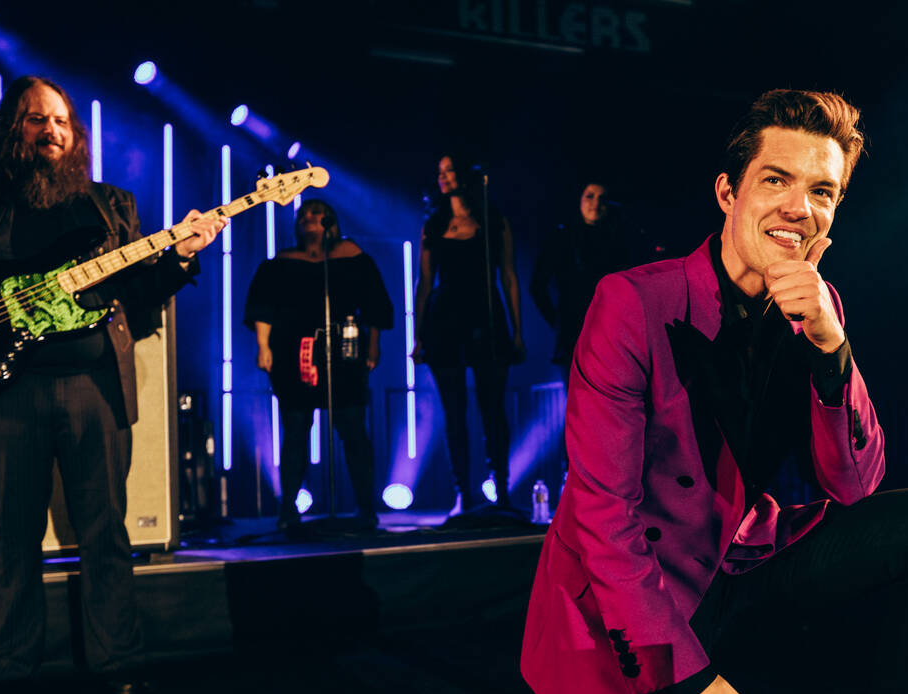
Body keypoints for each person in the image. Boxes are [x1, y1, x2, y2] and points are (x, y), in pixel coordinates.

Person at [520, 89, 908, 694]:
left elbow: (853, 487)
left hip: (739, 562)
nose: (799, 207)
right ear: (726, 193)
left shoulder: (819, 305)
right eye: (777, 180)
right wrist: (694, 684)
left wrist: (832, 350)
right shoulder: (632, 301)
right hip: (631, 598)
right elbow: (603, 517)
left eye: (822, 191)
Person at [0, 76, 225, 691]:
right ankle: (10, 667)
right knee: (11, 538)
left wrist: (181, 257)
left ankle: (116, 662)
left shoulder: (109, 205)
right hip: (5, 390)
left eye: (62, 122)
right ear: (10, 131)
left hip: (93, 387)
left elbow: (140, 293)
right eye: (35, 120)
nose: (52, 131)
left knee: (105, 531)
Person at [243, 199, 393, 533]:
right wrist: (263, 346)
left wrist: (373, 345)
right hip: (294, 352)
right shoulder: (279, 263)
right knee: (295, 431)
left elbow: (373, 304)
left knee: (353, 430)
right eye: (303, 215)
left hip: (344, 349)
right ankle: (288, 510)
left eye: (315, 213)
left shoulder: (353, 258)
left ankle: (366, 509)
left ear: (331, 220)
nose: (309, 218)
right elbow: (263, 306)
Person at [413, 153, 524, 513]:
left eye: (449, 170)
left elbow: (508, 275)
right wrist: (417, 336)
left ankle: (502, 490)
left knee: (493, 410)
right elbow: (424, 282)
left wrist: (518, 330)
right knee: (454, 412)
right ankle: (463, 492)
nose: (443, 177)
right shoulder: (434, 223)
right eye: (439, 172)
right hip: (444, 321)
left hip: (486, 316)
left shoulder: (493, 221)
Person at [530, 180, 631, 384]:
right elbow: (536, 286)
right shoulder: (561, 237)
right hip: (572, 335)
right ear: (578, 200)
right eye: (590, 196)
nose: (596, 203)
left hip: (612, 335)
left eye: (602, 198)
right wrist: (557, 322)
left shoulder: (619, 240)